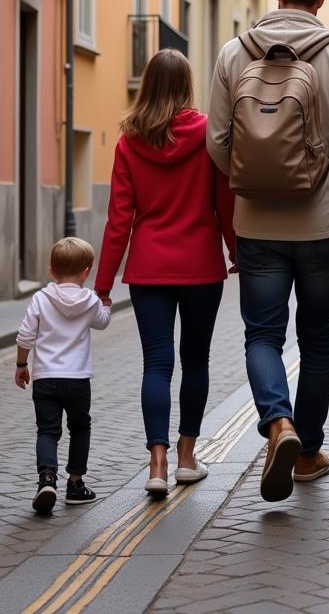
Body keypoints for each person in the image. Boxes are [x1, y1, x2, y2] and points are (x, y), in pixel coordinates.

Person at [207, 0, 329, 503]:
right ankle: (306, 455)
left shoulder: (235, 53)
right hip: (322, 220)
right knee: (317, 339)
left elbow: (216, 140)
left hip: (256, 220)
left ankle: (278, 422)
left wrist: (250, 179)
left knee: (262, 334)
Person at [95, 49, 235, 498]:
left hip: (149, 268)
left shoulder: (128, 141)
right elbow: (224, 203)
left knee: (156, 364)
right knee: (195, 361)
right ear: (187, 86)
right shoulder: (209, 137)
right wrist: (236, 251)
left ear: (148, 85)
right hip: (200, 266)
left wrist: (101, 286)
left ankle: (155, 463)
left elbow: (119, 219)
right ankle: (186, 457)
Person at [15, 237, 112, 515]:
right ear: (86, 272)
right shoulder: (91, 300)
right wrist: (105, 303)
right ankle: (75, 484)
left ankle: (46, 479)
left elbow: (25, 336)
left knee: (47, 431)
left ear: (51, 270)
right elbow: (102, 323)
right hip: (78, 380)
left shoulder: (40, 299)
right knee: (80, 428)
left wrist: (22, 365)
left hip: (46, 378)